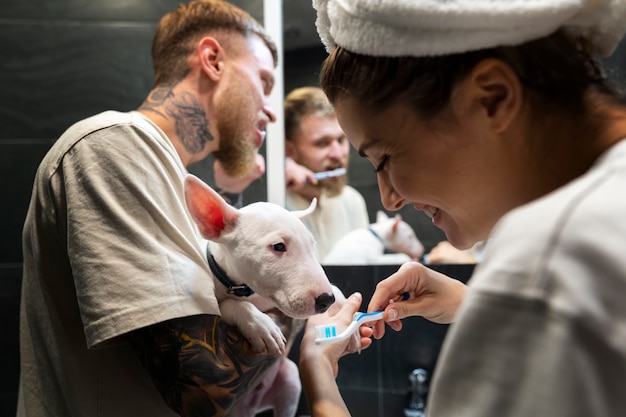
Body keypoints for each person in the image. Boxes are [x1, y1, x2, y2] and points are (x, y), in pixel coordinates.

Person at [298, 0, 626, 415]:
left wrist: (320, 380)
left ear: (491, 98)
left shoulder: (550, 257)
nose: (389, 199)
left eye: (384, 160)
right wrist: (472, 304)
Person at [17, 1, 294, 416]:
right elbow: (201, 386)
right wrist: (302, 300)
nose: (271, 109)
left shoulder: (166, 174)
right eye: (264, 80)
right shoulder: (111, 145)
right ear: (213, 59)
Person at [283, 86, 370, 261]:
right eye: (322, 143)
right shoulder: (276, 203)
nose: (338, 154)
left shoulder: (352, 201)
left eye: (341, 140)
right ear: (290, 150)